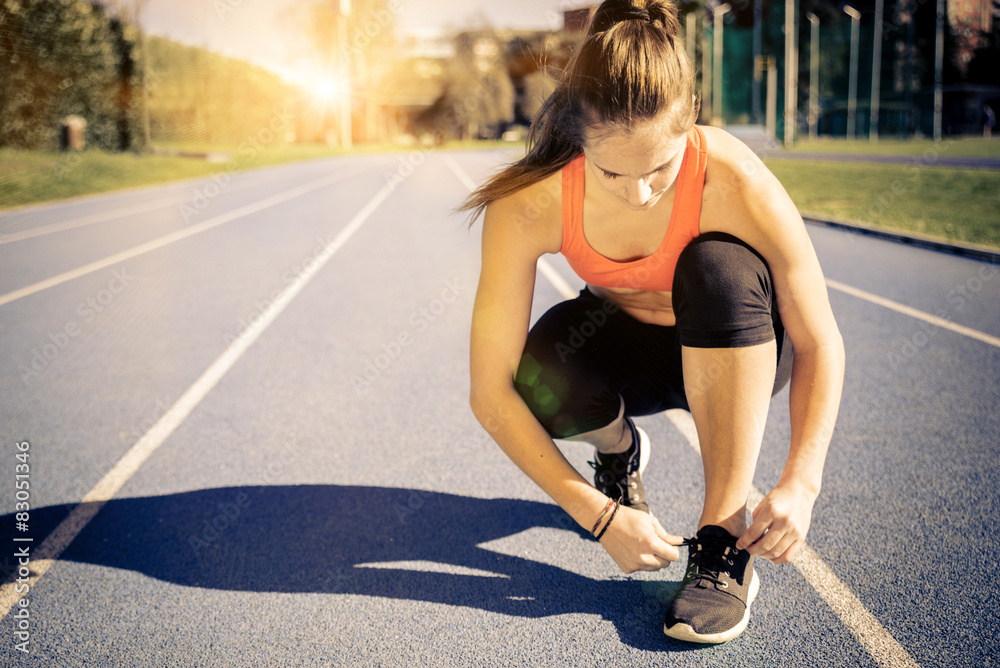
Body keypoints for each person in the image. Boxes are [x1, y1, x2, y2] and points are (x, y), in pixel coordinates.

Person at [460, 0, 844, 645]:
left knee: (717, 265)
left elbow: (819, 339)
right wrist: (599, 516)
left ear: (690, 122)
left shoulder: (735, 180)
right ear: (579, 137)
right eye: (612, 172)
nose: (640, 193)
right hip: (631, 355)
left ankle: (723, 542)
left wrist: (802, 481)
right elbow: (489, 393)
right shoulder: (530, 203)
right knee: (546, 364)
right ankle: (619, 452)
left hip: (739, 344)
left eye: (661, 168)